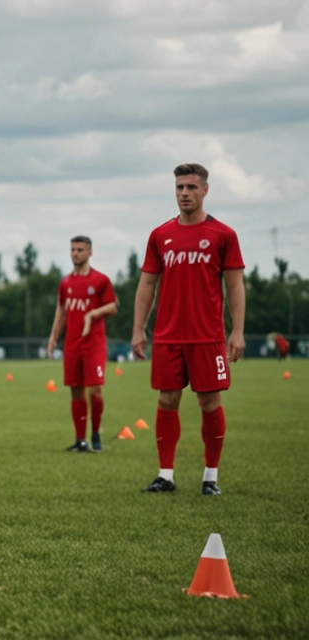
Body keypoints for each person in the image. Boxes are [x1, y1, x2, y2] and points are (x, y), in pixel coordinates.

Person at [132, 163, 244, 496]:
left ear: (205, 190)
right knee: (167, 399)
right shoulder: (159, 235)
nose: (185, 193)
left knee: (210, 401)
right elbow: (146, 284)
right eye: (180, 187)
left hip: (207, 336)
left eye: (192, 187)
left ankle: (210, 477)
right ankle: (165, 474)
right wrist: (139, 329)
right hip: (168, 336)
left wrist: (237, 331)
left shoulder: (223, 235)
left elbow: (235, 285)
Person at [46, 236, 117, 453]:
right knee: (75, 391)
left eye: (80, 250)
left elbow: (113, 307)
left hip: (94, 345)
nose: (76, 253)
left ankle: (95, 434)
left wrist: (93, 314)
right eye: (73, 249)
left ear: (90, 253)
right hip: (72, 345)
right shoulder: (66, 283)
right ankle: (80, 440)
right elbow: (61, 310)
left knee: (94, 389)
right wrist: (53, 336)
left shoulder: (101, 280)